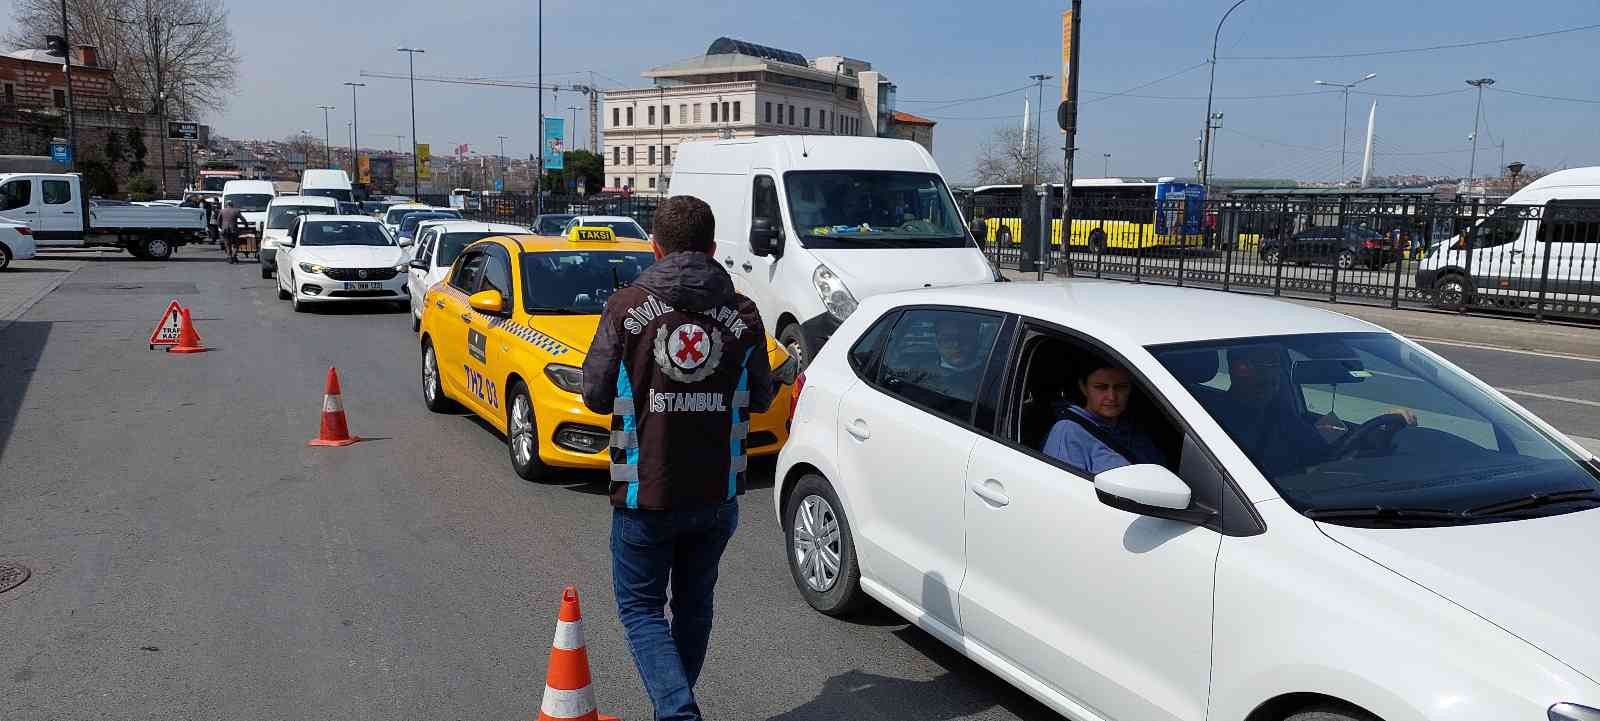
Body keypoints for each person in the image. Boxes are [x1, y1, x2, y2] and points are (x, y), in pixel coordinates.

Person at [581, 195, 774, 721]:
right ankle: (677, 705)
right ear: (713, 248)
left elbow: (595, 394)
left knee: (641, 610)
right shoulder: (743, 313)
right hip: (717, 493)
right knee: (694, 606)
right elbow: (762, 398)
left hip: (647, 491)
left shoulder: (625, 308)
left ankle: (678, 711)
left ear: (655, 247)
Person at [1042, 363, 1166, 474]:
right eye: (1101, 387)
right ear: (1083, 388)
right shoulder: (1067, 432)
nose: (1112, 397)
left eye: (1120, 387)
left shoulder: (1136, 428)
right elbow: (1065, 491)